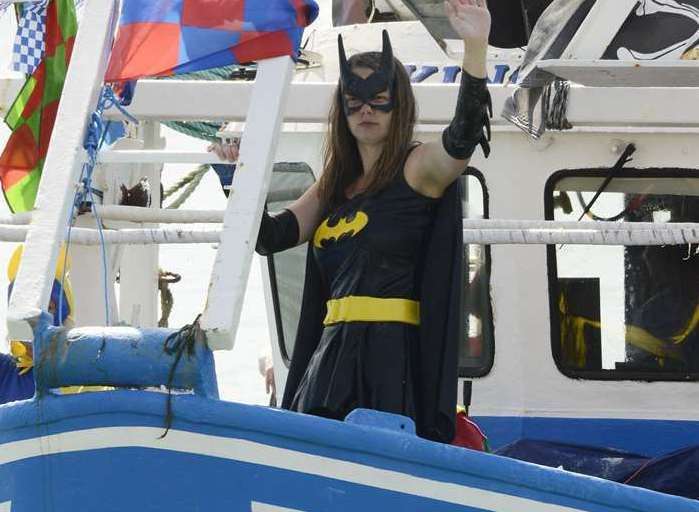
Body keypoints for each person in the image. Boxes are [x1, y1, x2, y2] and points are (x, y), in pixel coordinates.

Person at [212, 0, 492, 442]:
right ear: (341, 110)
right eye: (355, 102)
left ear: (397, 105)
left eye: (379, 101)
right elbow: (271, 236)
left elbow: (463, 135)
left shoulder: (417, 168)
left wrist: (475, 47)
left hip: (391, 360)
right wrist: (236, 179)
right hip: (330, 358)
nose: (366, 111)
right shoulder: (334, 185)